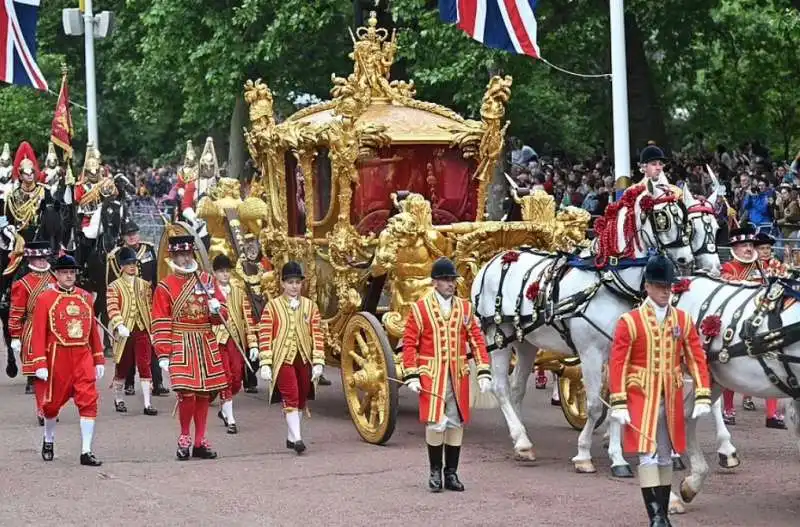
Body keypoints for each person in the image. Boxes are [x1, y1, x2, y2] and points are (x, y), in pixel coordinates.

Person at [609, 255, 711, 526]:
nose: (667, 291)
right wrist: (618, 401)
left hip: (673, 395)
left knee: (666, 455)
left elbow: (695, 357)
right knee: (647, 453)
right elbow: (618, 363)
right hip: (642, 394)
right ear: (648, 287)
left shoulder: (682, 319)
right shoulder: (629, 321)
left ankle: (663, 513)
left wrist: (702, 393)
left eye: (669, 286)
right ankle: (655, 516)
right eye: (660, 285)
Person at [402, 257, 493, 492]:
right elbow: (410, 344)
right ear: (435, 282)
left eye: (452, 280)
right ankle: (434, 472)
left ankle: (451, 473)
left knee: (455, 422)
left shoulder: (465, 307)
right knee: (434, 423)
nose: (450, 284)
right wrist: (411, 374)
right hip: (431, 375)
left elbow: (476, 339)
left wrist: (483, 370)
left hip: (458, 375)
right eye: (445, 280)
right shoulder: (420, 308)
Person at [151, 235, 228, 460]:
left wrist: (217, 309)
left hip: (204, 339)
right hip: (180, 340)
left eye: (187, 254)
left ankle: (200, 440)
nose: (184, 259)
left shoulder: (206, 280)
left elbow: (222, 316)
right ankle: (184, 436)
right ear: (172, 256)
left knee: (204, 393)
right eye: (180, 255)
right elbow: (161, 319)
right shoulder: (165, 286)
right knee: (187, 393)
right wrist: (163, 353)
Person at [30, 255, 104, 466]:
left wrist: (98, 358)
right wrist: (40, 363)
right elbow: (38, 334)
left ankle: (86, 451)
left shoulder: (85, 297)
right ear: (56, 275)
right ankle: (49, 438)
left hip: (82, 356)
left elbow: (92, 332)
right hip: (57, 356)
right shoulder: (45, 299)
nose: (69, 276)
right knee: (51, 406)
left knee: (89, 402)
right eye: (64, 272)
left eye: (72, 272)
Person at [258, 261, 325, 454]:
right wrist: (266, 363)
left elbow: (317, 334)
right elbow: (265, 334)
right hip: (282, 357)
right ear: (283, 284)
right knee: (292, 395)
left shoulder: (310, 307)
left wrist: (319, 361)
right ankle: (297, 438)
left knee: (303, 395)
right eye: (290, 282)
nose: (294, 286)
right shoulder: (272, 306)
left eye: (297, 282)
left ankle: (291, 436)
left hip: (303, 357)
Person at [732, 232, 787, 429]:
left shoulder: (769, 267)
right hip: (739, 320)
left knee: (770, 361)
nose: (764, 252)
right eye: (761, 248)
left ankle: (771, 414)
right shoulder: (732, 267)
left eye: (768, 249)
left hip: (763, 317)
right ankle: (729, 408)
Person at [107, 219, 167, 397]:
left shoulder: (148, 250)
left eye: (134, 233)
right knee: (128, 348)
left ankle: (158, 383)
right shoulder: (115, 255)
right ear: (123, 237)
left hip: (148, 304)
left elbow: (156, 275)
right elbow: (112, 280)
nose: (132, 237)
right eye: (128, 234)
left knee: (152, 346)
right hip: (127, 306)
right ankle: (129, 383)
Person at [106, 246, 158, 416]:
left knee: (145, 365)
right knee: (123, 366)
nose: (132, 266)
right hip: (124, 331)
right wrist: (119, 324)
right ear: (122, 266)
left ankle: (147, 403)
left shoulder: (144, 285)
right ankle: (118, 399)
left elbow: (150, 307)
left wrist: (153, 328)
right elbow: (112, 307)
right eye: (128, 263)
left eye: (134, 263)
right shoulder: (114, 286)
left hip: (142, 329)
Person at [212, 255, 259, 434]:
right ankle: (231, 419)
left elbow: (247, 318)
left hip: (236, 339)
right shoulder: (210, 292)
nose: (225, 275)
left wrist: (253, 344)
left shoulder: (238, 292)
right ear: (215, 273)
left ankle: (224, 408)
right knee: (225, 376)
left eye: (227, 271)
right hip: (218, 340)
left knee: (237, 378)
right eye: (221, 271)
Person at [10, 241, 56, 421]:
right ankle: (41, 408)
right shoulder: (23, 284)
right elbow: (16, 312)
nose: (42, 262)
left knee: (55, 373)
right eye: (38, 259)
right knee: (40, 374)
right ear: (30, 259)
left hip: (55, 330)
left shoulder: (55, 278)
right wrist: (15, 335)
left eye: (44, 258)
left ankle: (51, 404)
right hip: (34, 329)